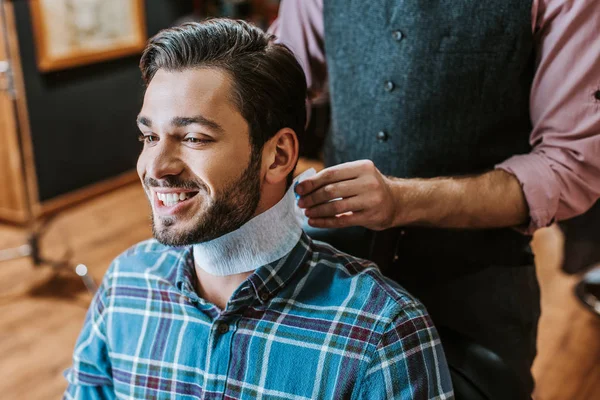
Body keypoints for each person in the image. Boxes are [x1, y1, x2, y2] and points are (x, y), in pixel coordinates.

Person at [63, 19, 453, 399]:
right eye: (149, 136)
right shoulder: (125, 287)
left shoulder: (380, 336)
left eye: (194, 138)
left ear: (278, 156)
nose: (156, 166)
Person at [270, 0, 600, 394]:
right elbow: (280, 83)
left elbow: (568, 165)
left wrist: (402, 200)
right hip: (336, 281)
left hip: (473, 294)